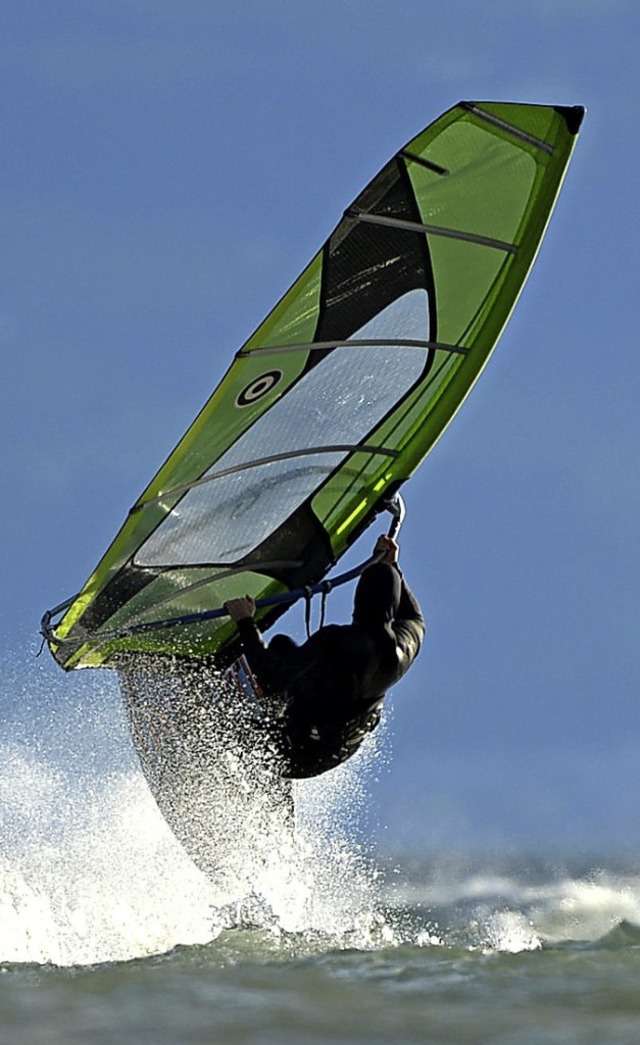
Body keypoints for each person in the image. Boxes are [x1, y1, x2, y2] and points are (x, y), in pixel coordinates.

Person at [224, 534, 425, 779]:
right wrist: (392, 567)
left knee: (262, 675)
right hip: (328, 754)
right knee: (282, 646)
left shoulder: (339, 641)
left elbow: (273, 677)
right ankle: (270, 716)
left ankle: (219, 735)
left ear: (358, 601)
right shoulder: (400, 653)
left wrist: (245, 622)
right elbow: (415, 620)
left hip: (290, 753)